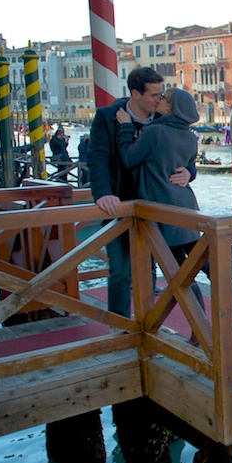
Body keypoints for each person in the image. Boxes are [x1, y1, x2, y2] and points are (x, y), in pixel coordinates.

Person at [117, 88, 232, 337]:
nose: (159, 100)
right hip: (186, 207)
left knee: (180, 273)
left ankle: (198, 329)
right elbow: (186, 164)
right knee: (205, 265)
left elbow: (128, 158)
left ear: (170, 108)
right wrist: (190, 173)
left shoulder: (154, 132)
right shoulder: (190, 136)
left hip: (163, 211)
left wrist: (126, 128)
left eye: (164, 99)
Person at [88, 67, 194, 317]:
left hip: (156, 206)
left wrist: (189, 172)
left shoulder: (163, 119)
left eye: (161, 94)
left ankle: (149, 327)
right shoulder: (106, 117)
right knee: (121, 272)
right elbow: (98, 158)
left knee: (153, 270)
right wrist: (103, 193)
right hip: (119, 205)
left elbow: (185, 152)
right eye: (154, 95)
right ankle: (120, 326)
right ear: (135, 93)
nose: (159, 99)